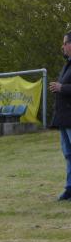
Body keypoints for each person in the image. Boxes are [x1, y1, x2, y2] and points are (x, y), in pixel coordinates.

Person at [50, 31, 71, 200]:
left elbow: (65, 88)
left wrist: (61, 88)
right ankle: (69, 189)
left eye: (65, 43)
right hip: (64, 118)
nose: (62, 46)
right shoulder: (67, 65)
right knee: (68, 154)